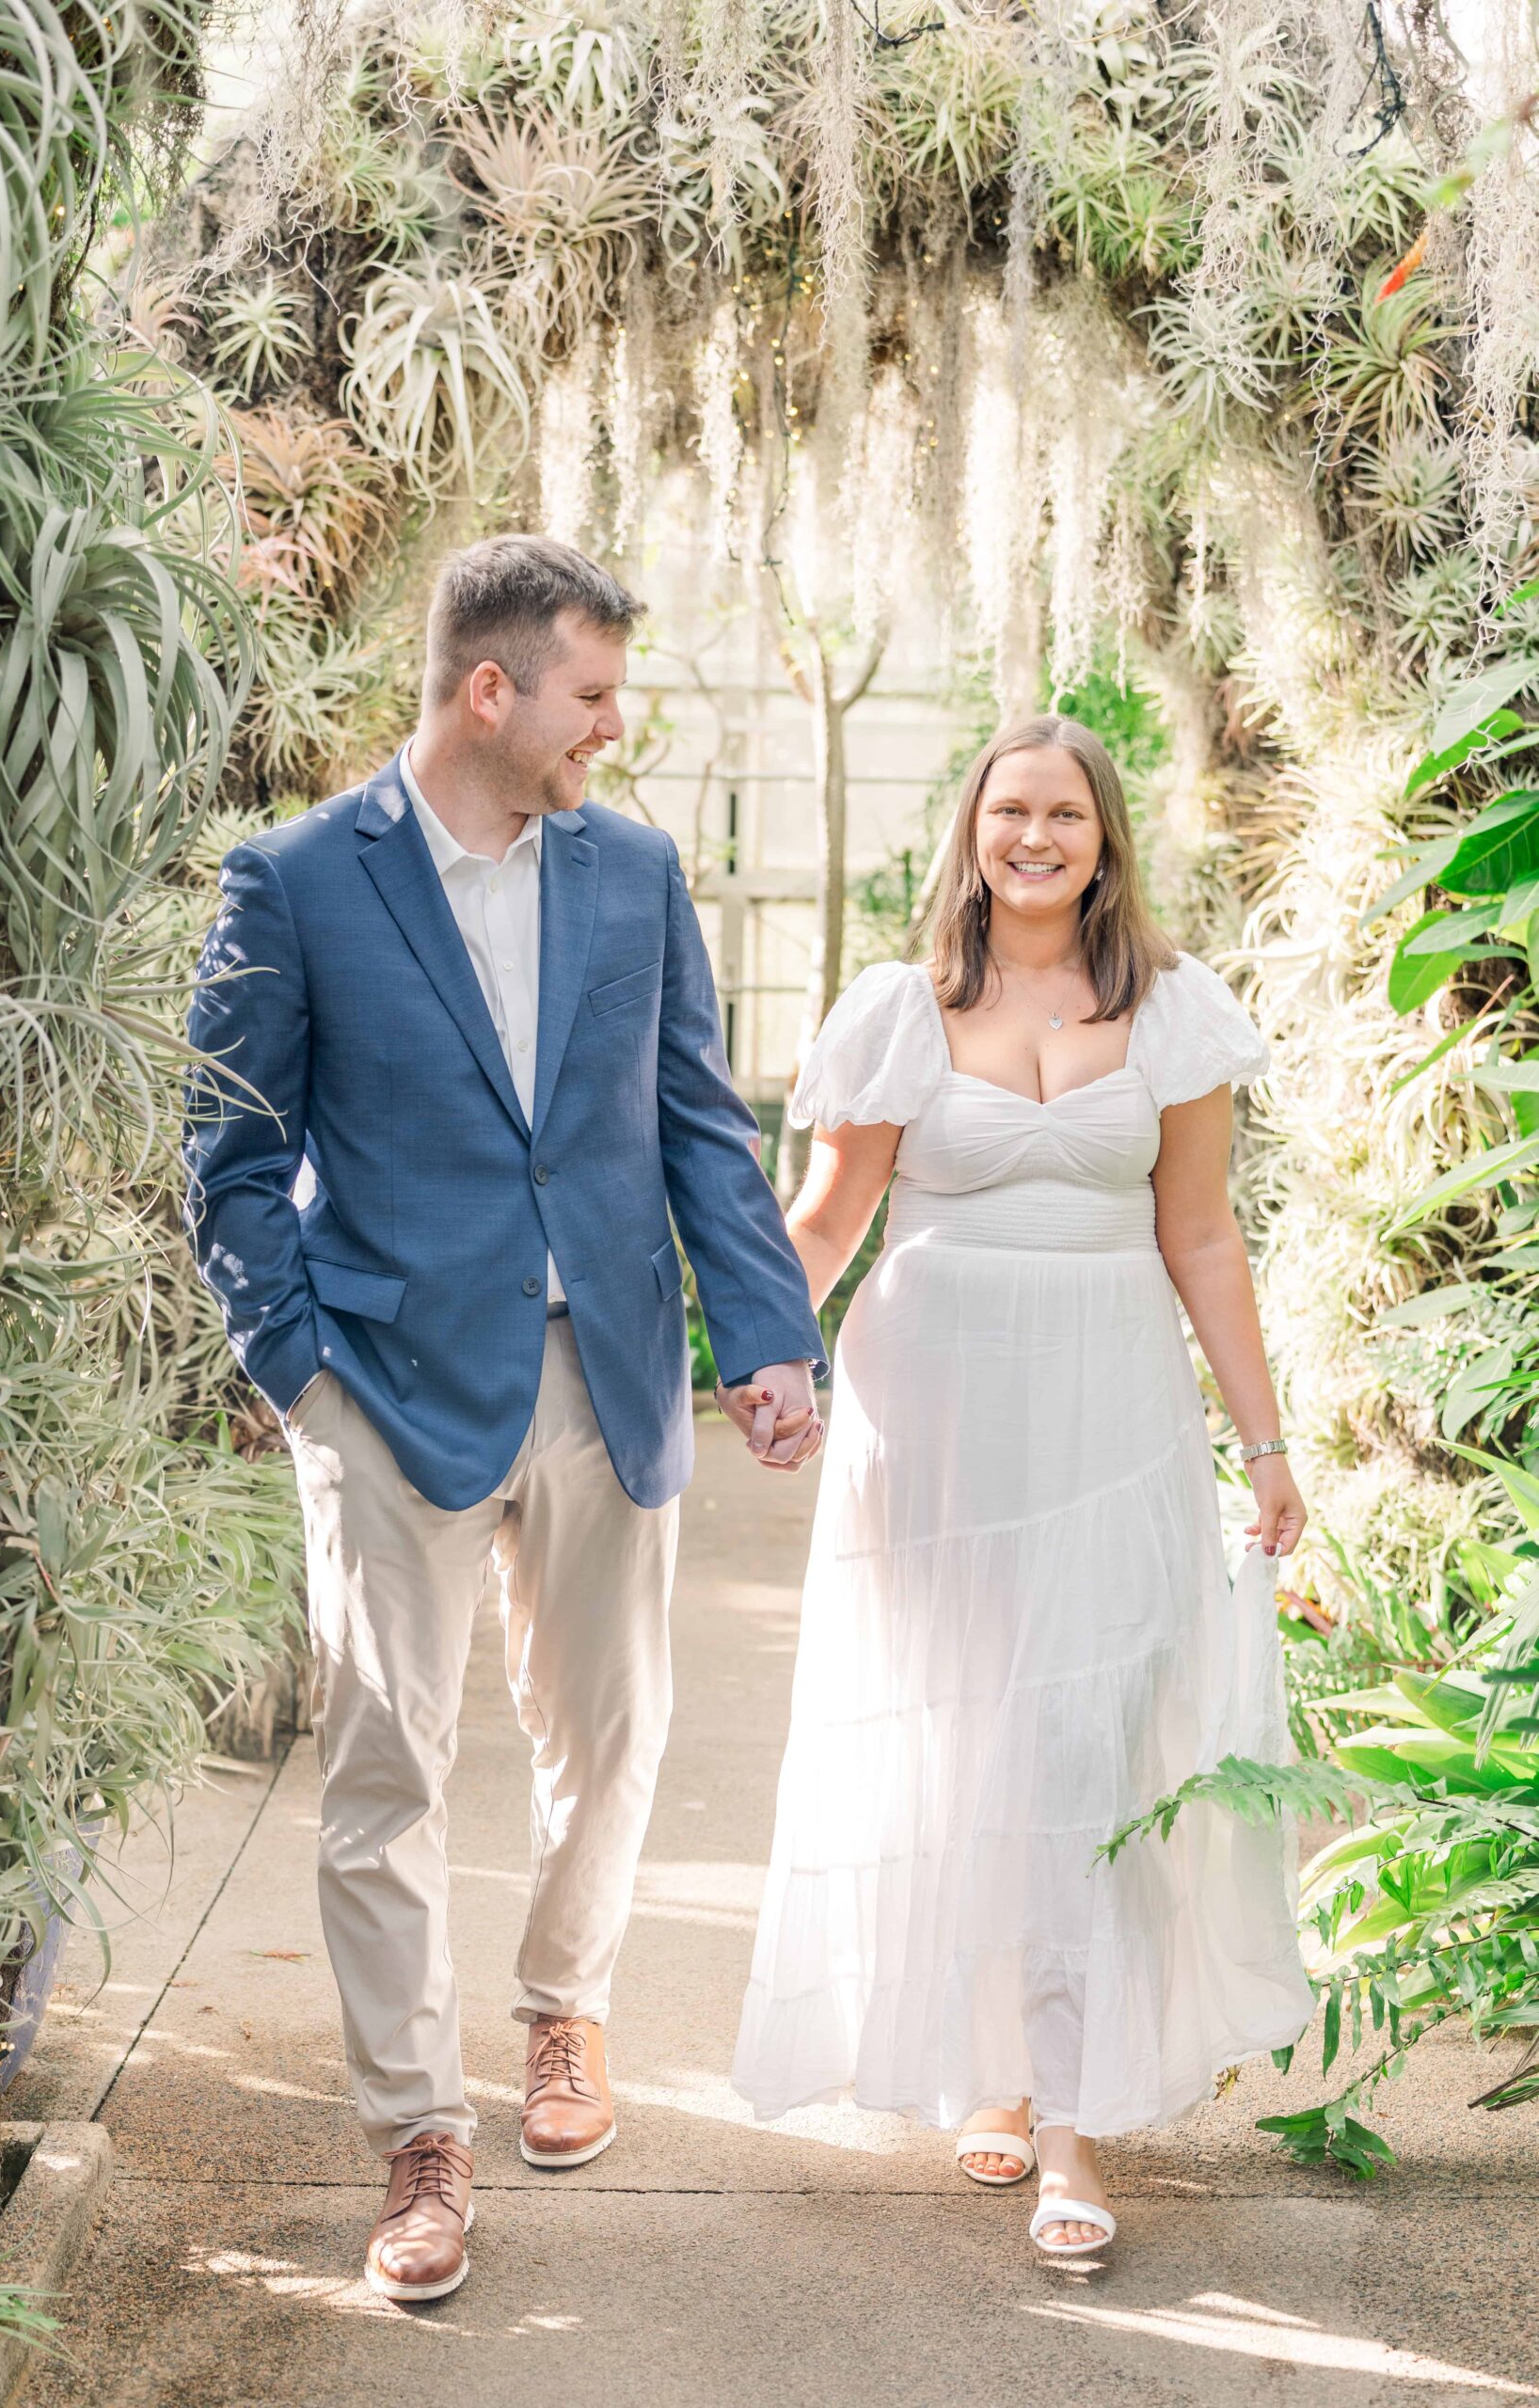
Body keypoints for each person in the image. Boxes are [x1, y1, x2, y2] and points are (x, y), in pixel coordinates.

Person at [182, 534, 824, 2305]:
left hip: (609, 1374)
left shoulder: (633, 873)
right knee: (388, 1772)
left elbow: (697, 1122)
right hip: (386, 1387)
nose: (613, 727)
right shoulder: (299, 880)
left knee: (612, 1742)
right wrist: (299, 1373)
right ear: (494, 691)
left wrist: (769, 1338)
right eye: (593, 695)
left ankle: (564, 2011)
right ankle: (419, 2130)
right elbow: (230, 1156)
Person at [733, 714, 1313, 2257]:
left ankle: (1070, 2124)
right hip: (935, 1413)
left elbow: (1202, 1240)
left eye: (1066, 813)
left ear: (1105, 836)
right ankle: (993, 2073)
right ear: (974, 833)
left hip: (1112, 1409)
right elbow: (824, 1218)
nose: (1037, 837)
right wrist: (754, 1357)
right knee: (970, 1730)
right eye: (1012, 813)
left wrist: (1263, 1444)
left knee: (1087, 1736)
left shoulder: (1175, 1012)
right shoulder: (900, 1010)